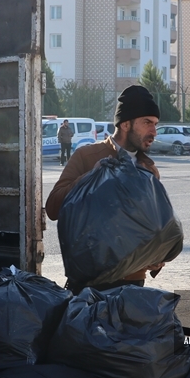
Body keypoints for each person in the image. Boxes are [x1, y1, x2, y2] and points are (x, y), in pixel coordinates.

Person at [46, 85, 165, 293]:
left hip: (133, 284)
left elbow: (153, 226)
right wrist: (90, 177)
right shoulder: (87, 156)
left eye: (155, 124)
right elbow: (53, 207)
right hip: (89, 286)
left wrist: (157, 258)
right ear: (125, 124)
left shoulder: (148, 169)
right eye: (147, 122)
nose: (154, 131)